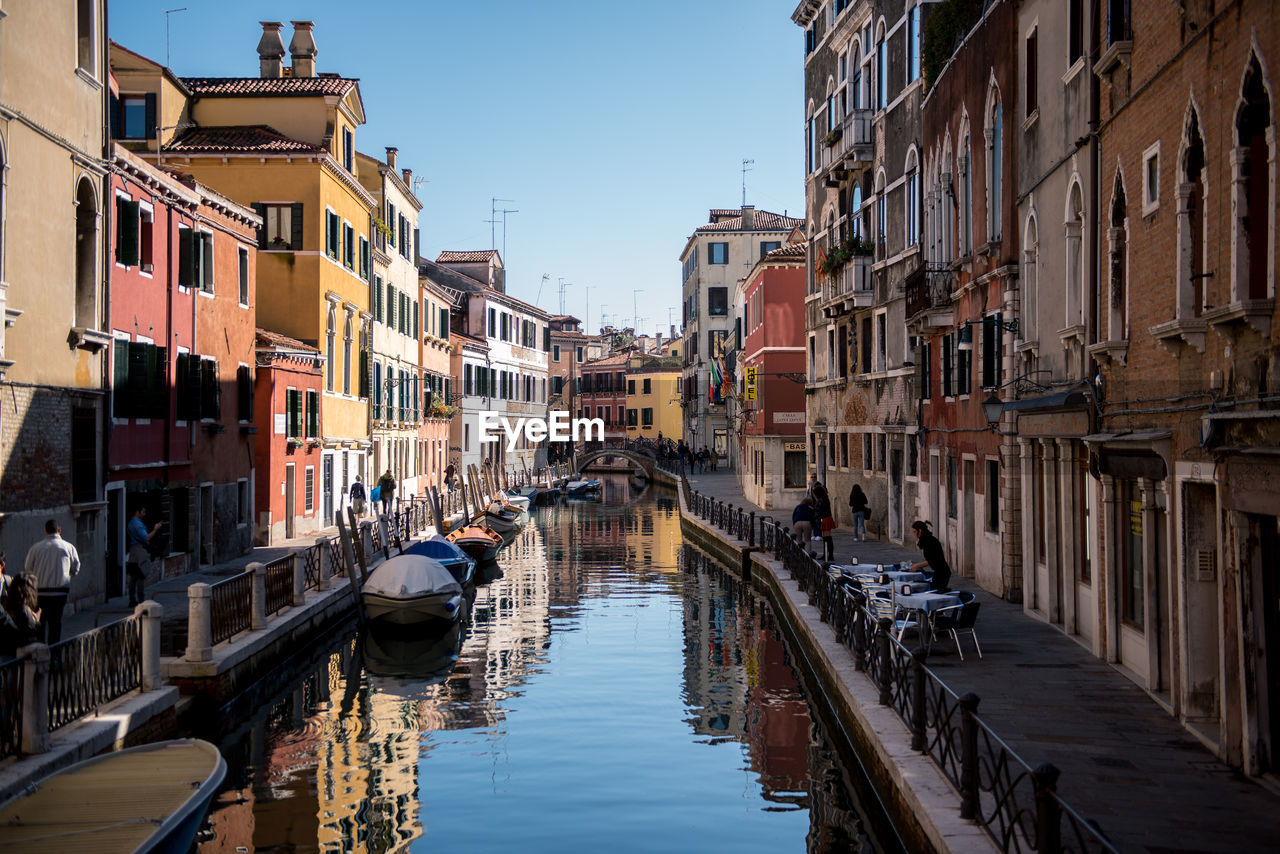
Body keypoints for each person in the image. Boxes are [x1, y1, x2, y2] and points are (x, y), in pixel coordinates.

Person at [24, 519, 80, 644]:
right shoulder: (69, 547)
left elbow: (28, 569)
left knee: (40, 623)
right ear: (59, 530)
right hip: (60, 593)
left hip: (40, 594)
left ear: (45, 531)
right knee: (55, 624)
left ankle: (40, 652)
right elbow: (76, 568)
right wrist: (67, 575)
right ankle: (54, 655)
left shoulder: (36, 548)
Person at [126, 505, 162, 607]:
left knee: (133, 577)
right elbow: (146, 538)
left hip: (133, 551)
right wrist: (155, 529)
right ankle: (140, 601)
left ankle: (132, 599)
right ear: (138, 512)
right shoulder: (137, 524)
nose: (144, 514)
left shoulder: (131, 523)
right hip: (139, 551)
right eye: (143, 512)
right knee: (140, 575)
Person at [0, 573, 42, 658]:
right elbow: (25, 637)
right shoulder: (25, 611)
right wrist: (37, 623)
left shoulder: (6, 605)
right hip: (15, 658)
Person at [910, 520, 952, 592]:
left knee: (936, 592)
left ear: (919, 531)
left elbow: (932, 560)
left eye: (914, 532)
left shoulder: (929, 542)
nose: (913, 534)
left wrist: (917, 565)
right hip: (939, 571)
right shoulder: (927, 540)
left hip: (942, 572)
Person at [812, 483, 835, 561]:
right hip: (825, 518)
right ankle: (826, 554)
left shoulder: (823, 500)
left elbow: (819, 509)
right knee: (825, 538)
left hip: (826, 518)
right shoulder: (824, 499)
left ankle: (830, 555)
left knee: (827, 538)